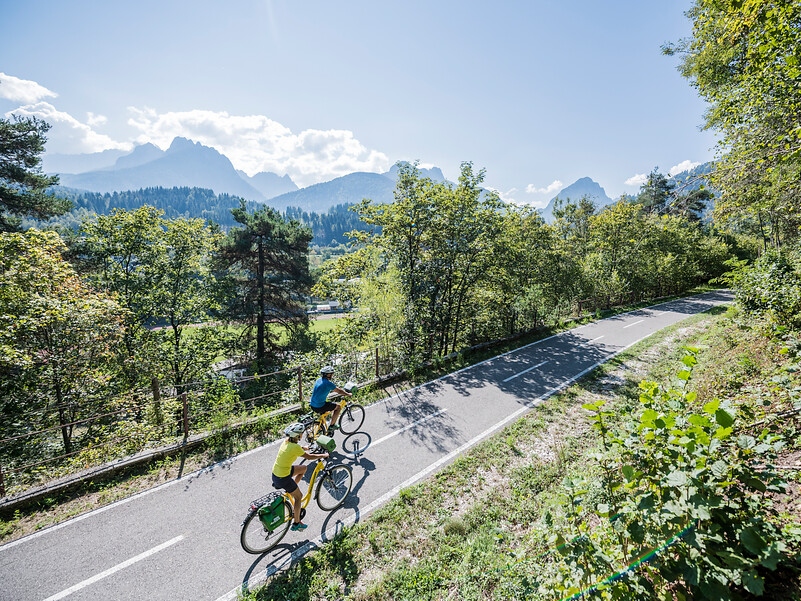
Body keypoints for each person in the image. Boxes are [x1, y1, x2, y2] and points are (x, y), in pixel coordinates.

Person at [271, 422, 329, 531]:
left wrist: (304, 447)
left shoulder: (286, 442)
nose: (302, 435)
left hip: (277, 473)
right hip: (283, 478)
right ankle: (297, 523)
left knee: (303, 469)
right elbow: (309, 457)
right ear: (297, 436)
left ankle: (291, 491)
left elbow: (297, 448)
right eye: (301, 434)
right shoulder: (294, 447)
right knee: (299, 497)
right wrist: (323, 455)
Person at [309, 365, 352, 435]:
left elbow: (322, 390)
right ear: (328, 374)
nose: (332, 375)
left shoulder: (318, 380)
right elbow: (339, 391)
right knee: (338, 407)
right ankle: (332, 426)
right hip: (320, 406)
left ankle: (320, 428)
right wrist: (348, 394)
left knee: (325, 411)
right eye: (331, 374)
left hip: (312, 404)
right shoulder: (328, 384)